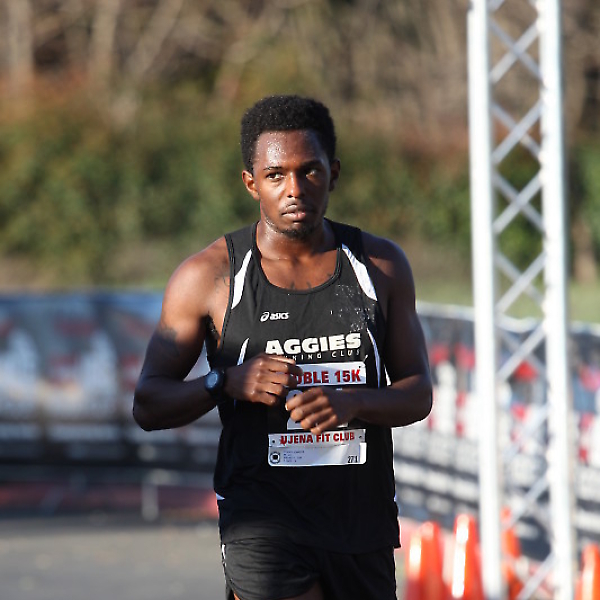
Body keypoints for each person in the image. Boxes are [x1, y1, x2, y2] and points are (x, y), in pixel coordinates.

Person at [133, 94, 433, 600]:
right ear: (251, 183)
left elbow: (418, 393)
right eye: (275, 175)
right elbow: (148, 403)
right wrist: (224, 381)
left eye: (309, 171)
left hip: (360, 525)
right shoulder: (209, 277)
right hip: (261, 522)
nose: (294, 189)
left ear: (333, 174)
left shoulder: (380, 266)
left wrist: (353, 402)